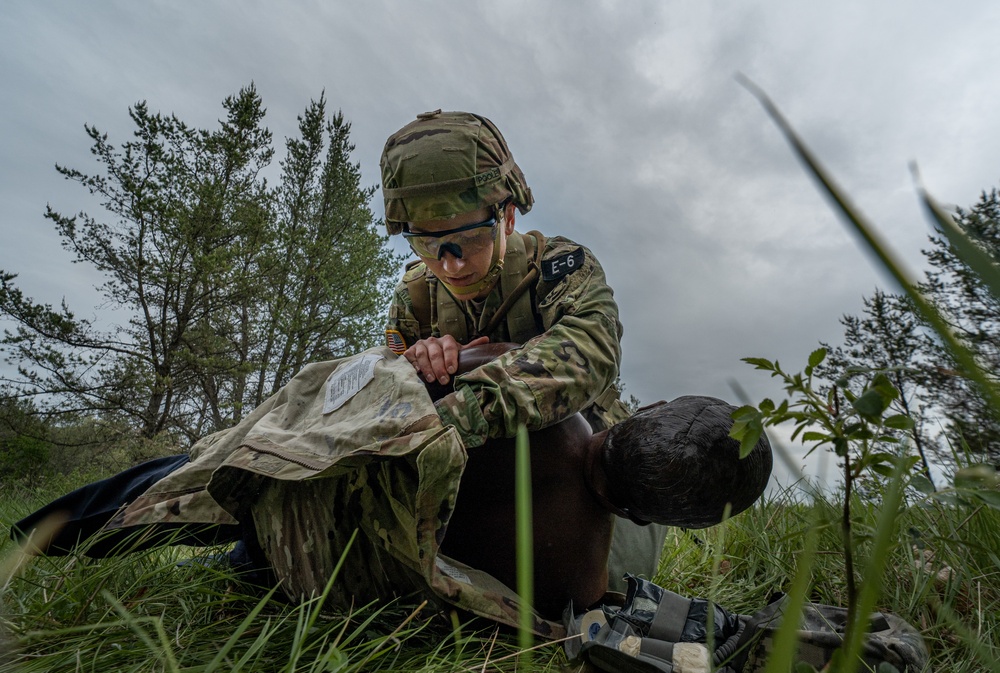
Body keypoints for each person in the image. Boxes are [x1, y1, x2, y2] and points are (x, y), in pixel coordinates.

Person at [13, 343, 773, 632]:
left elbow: (416, 368)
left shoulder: (534, 397)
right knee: (233, 568)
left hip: (291, 490)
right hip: (320, 575)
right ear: (665, 512)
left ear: (644, 411)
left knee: (176, 486)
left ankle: (29, 545)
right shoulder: (580, 575)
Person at [379, 110, 668, 589]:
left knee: (608, 584)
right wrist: (411, 369)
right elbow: (378, 405)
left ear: (507, 216)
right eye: (427, 244)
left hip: (588, 469)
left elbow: (590, 350)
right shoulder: (415, 297)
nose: (449, 265)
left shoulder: (558, 269)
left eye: (467, 239)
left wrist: (465, 403)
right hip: (474, 478)